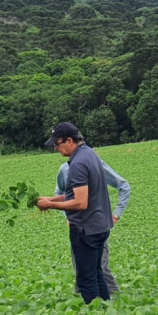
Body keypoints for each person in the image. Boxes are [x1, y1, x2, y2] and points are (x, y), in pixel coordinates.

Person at [37, 122, 113, 304]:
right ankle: (107, 311)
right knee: (96, 273)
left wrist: (50, 205)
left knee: (86, 279)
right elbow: (77, 193)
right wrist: (50, 199)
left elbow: (80, 202)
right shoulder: (90, 154)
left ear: (69, 140)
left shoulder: (77, 164)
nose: (56, 148)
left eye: (57, 144)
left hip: (85, 228)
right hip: (100, 225)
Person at [56, 157, 130, 294]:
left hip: (96, 225)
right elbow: (60, 192)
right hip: (77, 227)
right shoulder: (64, 169)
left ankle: (115, 302)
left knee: (101, 267)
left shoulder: (97, 166)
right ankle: (84, 307)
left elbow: (123, 186)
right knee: (80, 268)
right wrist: (67, 215)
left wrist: (116, 214)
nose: (56, 148)